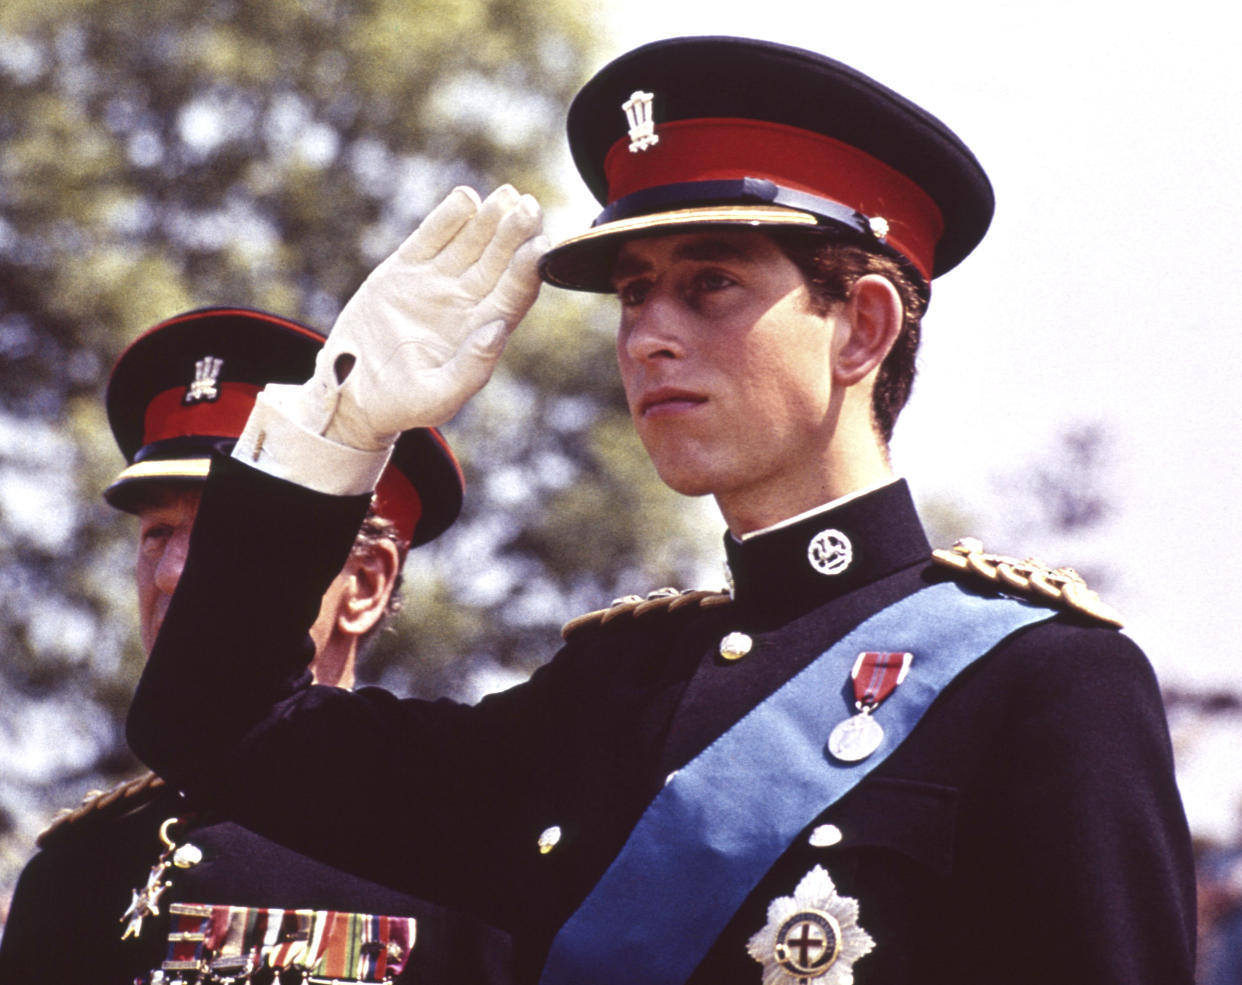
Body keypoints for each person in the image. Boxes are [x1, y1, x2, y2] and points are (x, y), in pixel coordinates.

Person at [124, 37, 1196, 985]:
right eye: (635, 291)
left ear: (861, 327)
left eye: (711, 283)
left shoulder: (1041, 686)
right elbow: (217, 726)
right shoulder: (615, 687)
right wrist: (339, 427)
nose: (648, 334)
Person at [0, 308, 515, 985]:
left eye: (220, 537)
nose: (173, 571)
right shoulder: (73, 871)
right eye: (157, 533)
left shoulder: (460, 851)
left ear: (364, 582)